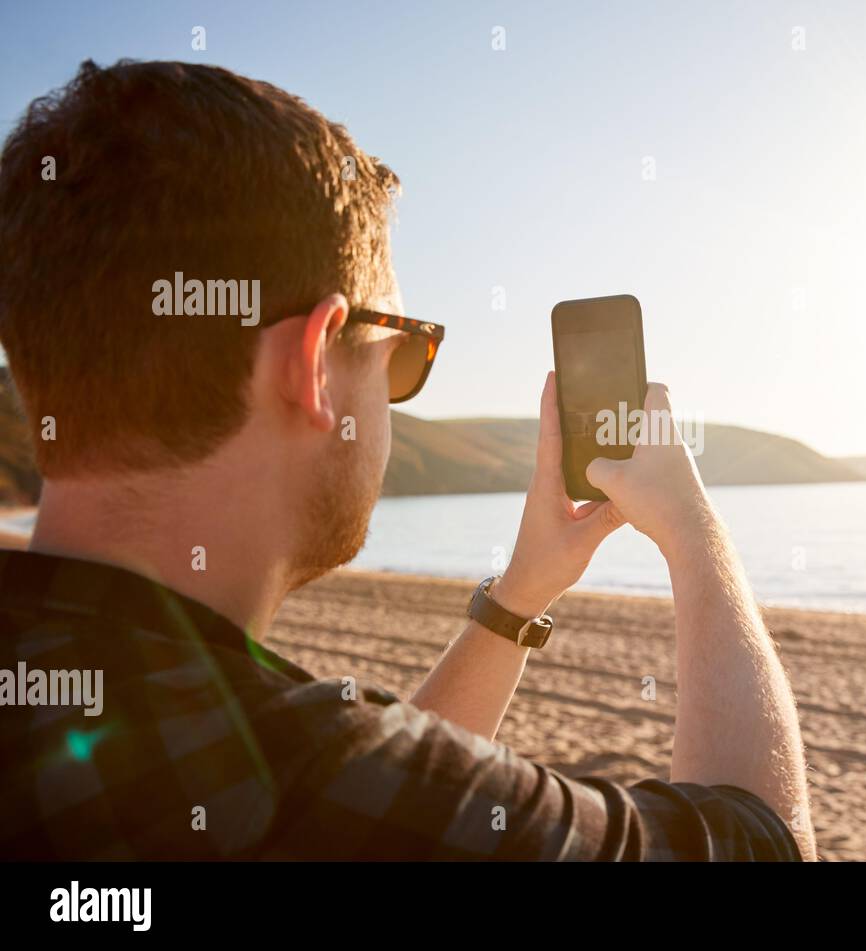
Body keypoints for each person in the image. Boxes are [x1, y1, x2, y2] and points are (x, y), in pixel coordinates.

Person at [0, 60, 812, 860]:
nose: (394, 397)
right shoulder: (296, 772)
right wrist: (695, 530)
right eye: (401, 355)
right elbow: (766, 844)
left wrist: (520, 593)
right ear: (313, 363)